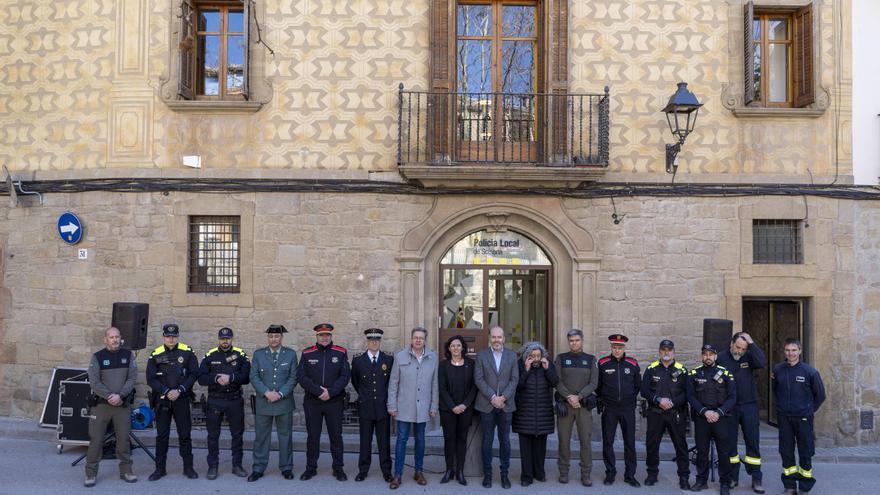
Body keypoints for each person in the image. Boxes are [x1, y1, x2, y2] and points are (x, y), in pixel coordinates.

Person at [84, 326, 138, 487]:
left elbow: (132, 378)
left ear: (120, 338)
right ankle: (90, 474)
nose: (115, 339)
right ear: (105, 339)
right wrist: (109, 396)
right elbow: (94, 382)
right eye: (111, 337)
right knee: (96, 441)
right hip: (101, 406)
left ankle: (126, 471)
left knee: (123, 441)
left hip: (122, 405)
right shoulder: (97, 357)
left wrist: (120, 396)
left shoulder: (128, 355)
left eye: (117, 336)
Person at [387, 326, 439, 489]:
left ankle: (418, 471)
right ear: (411, 339)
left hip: (423, 407)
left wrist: (434, 405)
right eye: (415, 337)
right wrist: (392, 405)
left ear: (425, 340)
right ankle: (398, 474)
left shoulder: (432, 357)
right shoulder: (400, 356)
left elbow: (435, 384)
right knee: (401, 439)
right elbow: (393, 382)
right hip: (404, 406)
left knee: (421, 440)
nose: (418, 340)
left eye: (421, 338)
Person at [297, 322, 351, 481]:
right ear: (317, 336)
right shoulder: (307, 353)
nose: (324, 337)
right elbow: (302, 377)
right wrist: (320, 391)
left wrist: (331, 392)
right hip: (313, 401)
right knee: (313, 436)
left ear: (331, 336)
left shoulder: (340, 352)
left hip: (334, 401)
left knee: (336, 436)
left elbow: (345, 376)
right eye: (321, 335)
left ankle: (338, 468)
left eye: (327, 335)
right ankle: (310, 468)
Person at [146, 323, 199, 481]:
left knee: (185, 435)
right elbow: (151, 378)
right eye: (168, 336)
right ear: (163, 336)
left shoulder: (187, 351)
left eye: (174, 336)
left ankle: (188, 468)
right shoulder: (156, 353)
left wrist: (180, 390)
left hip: (181, 399)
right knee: (162, 436)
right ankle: (160, 469)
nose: (171, 338)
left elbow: (194, 373)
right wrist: (166, 391)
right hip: (163, 400)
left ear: (178, 336)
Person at [772, 338, 825, 495]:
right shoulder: (778, 370)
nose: (791, 353)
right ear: (784, 351)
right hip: (784, 418)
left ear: (800, 351)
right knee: (786, 451)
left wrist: (808, 410)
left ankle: (804, 486)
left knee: (805, 451)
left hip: (803, 418)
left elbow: (820, 395)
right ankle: (789, 486)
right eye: (788, 350)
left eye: (794, 350)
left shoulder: (810, 372)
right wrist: (782, 407)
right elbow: (775, 390)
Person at [716, 331, 767, 493]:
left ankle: (756, 478)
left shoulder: (749, 356)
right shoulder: (721, 357)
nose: (739, 351)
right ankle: (732, 477)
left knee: (753, 442)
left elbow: (761, 362)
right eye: (737, 347)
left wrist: (751, 344)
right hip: (729, 407)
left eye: (743, 349)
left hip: (749, 406)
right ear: (731, 343)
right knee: (730, 444)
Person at [197, 327, 250, 480]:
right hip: (215, 400)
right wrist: (215, 379)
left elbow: (246, 376)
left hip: (234, 400)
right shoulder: (210, 355)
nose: (225, 341)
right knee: (213, 436)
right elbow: (201, 378)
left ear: (232, 339)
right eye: (222, 338)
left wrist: (231, 378)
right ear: (218, 339)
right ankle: (213, 466)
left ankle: (237, 465)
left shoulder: (240, 354)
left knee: (237, 435)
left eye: (228, 338)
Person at [248, 324, 297, 482]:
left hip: (284, 402)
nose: (273, 339)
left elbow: (293, 377)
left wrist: (281, 393)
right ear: (267, 338)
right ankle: (258, 468)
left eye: (276, 336)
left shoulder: (290, 354)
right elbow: (254, 376)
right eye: (271, 336)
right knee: (261, 437)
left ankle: (287, 467)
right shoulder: (259, 354)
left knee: (285, 436)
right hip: (264, 402)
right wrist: (266, 392)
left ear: (281, 337)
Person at [640, 339, 690, 490]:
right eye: (663, 350)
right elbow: (644, 390)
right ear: (659, 351)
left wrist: (673, 403)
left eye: (669, 350)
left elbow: (687, 393)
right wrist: (657, 400)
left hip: (676, 414)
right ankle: (652, 474)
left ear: (673, 352)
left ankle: (683, 477)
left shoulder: (682, 370)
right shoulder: (651, 368)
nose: (666, 353)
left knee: (681, 446)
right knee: (652, 445)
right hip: (656, 413)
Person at [687, 344, 736, 495]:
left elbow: (733, 397)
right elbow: (690, 396)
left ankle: (725, 483)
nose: (708, 357)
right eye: (705, 354)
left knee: (724, 452)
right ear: (702, 356)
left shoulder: (726, 373)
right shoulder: (694, 373)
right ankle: (701, 481)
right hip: (702, 419)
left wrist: (719, 412)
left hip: (721, 418)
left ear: (715, 356)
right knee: (702, 452)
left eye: (711, 354)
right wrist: (705, 412)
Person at [474, 326, 519, 489]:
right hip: (487, 404)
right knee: (487, 440)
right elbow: (478, 379)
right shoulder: (481, 355)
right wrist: (493, 397)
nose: (496, 340)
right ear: (489, 338)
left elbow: (515, 379)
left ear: (504, 339)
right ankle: (487, 475)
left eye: (499, 337)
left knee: (505, 441)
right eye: (493, 337)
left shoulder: (512, 356)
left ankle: (504, 475)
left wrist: (503, 397)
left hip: (506, 405)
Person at [554, 328, 598, 486]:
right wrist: (569, 397)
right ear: (568, 342)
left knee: (585, 441)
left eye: (577, 340)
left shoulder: (591, 359)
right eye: (571, 340)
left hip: (583, 406)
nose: (574, 343)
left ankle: (586, 474)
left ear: (582, 341)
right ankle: (564, 472)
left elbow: (594, 383)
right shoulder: (561, 358)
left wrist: (579, 396)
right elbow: (557, 381)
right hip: (565, 406)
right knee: (563, 440)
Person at [350, 328, 394, 482]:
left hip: (383, 406)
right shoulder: (358, 360)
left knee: (384, 441)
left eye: (377, 340)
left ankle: (387, 471)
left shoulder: (388, 359)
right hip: (365, 406)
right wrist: (365, 396)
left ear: (380, 341)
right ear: (366, 341)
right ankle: (363, 470)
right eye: (371, 340)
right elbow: (356, 382)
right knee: (365, 441)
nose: (374, 343)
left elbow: (391, 383)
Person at [597, 333, 641, 487]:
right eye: (614, 347)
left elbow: (637, 386)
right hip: (609, 408)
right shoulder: (602, 363)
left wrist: (629, 399)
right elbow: (598, 386)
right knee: (608, 442)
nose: (617, 350)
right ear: (611, 347)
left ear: (624, 348)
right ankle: (610, 473)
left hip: (627, 409)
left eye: (620, 347)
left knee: (630, 443)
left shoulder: (633, 364)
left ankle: (630, 475)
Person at [512, 342, 558, 487]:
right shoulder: (520, 365)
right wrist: (526, 371)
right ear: (527, 356)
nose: (536, 359)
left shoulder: (548, 365)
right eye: (532, 356)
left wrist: (548, 369)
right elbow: (517, 386)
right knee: (525, 448)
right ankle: (526, 476)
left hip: (543, 412)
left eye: (538, 356)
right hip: (524, 412)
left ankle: (539, 472)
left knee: (540, 446)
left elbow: (555, 382)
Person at [438, 334, 477, 485]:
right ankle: (449, 470)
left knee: (462, 440)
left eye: (458, 345)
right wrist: (452, 406)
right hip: (448, 410)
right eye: (453, 345)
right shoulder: (443, 365)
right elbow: (442, 388)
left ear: (462, 348)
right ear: (449, 348)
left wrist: (464, 405)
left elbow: (474, 387)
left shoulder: (470, 364)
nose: (455, 348)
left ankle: (460, 471)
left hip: (465, 410)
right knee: (449, 440)